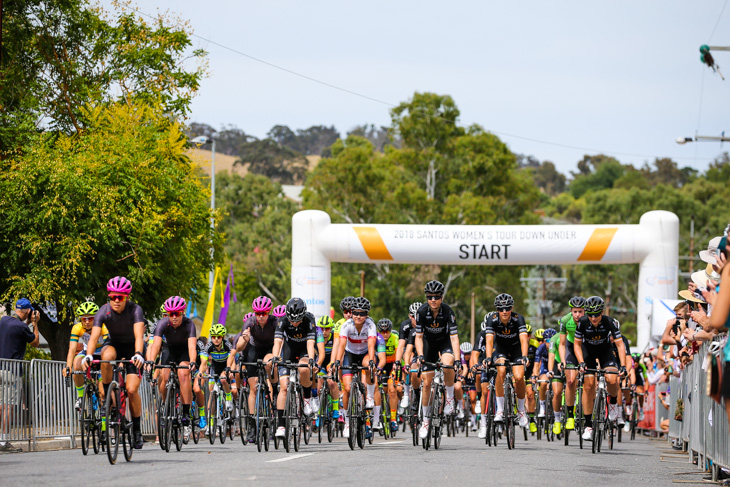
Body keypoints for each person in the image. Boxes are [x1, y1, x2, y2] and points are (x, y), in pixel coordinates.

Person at [83, 276, 146, 449]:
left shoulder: (135, 310)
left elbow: (139, 336)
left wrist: (139, 354)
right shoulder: (103, 311)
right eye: (113, 297)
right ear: (109, 296)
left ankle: (137, 430)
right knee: (105, 355)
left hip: (133, 347)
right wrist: (88, 355)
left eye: (120, 297)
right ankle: (107, 397)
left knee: (132, 390)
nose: (116, 301)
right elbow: (94, 336)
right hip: (114, 345)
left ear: (127, 297)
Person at [574, 296, 627, 442]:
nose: (593, 318)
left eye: (596, 314)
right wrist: (581, 362)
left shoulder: (609, 322)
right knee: (589, 385)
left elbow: (620, 345)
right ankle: (588, 426)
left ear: (602, 312)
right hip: (588, 352)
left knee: (612, 378)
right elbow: (577, 345)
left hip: (605, 351)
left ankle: (614, 402)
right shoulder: (583, 322)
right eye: (590, 314)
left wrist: (623, 365)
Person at [145, 296, 197, 440]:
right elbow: (155, 346)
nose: (174, 317)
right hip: (169, 350)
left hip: (184, 351)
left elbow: (192, 347)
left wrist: (192, 361)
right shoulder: (162, 324)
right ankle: (166, 407)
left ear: (183, 313)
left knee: (183, 374)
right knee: (164, 376)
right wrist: (150, 361)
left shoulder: (189, 324)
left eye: (177, 314)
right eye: (171, 314)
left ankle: (186, 414)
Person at [414, 280, 460, 439]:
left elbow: (454, 339)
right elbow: (418, 337)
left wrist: (458, 360)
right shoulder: (420, 312)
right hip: (428, 344)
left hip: (444, 342)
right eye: (430, 297)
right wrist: (420, 355)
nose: (433, 300)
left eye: (436, 297)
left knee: (448, 364)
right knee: (426, 383)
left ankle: (449, 399)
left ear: (441, 297)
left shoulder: (448, 312)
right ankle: (425, 420)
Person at [331, 296, 377, 439]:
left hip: (364, 353)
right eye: (355, 313)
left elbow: (371, 346)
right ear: (352, 313)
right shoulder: (346, 325)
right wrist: (337, 361)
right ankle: (348, 422)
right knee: (348, 389)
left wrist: (371, 361)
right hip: (350, 355)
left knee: (369, 365)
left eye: (362, 313)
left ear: (367, 315)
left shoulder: (370, 325)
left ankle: (369, 395)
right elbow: (342, 345)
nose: (358, 316)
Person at [272, 297, 317, 438]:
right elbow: (278, 342)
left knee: (304, 368)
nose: (295, 322)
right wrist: (275, 357)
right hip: (289, 350)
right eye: (292, 319)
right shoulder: (283, 321)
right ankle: (280, 425)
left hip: (304, 349)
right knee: (284, 387)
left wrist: (311, 359)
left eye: (298, 320)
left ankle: (307, 399)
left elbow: (310, 343)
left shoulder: (309, 319)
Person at [484, 293, 530, 429]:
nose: (504, 311)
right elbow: (489, 341)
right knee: (501, 370)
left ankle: (521, 411)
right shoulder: (492, 320)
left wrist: (525, 356)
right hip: (501, 349)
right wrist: (487, 357)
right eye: (500, 309)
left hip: (516, 350)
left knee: (519, 376)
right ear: (497, 309)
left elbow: (523, 340)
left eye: (507, 308)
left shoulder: (518, 319)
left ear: (512, 307)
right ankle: (500, 409)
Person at [0, 298, 40, 453]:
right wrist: (35, 324)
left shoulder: (3, 321)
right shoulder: (21, 327)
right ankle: (3, 441)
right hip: (12, 371)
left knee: (0, 405)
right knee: (7, 406)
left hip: (0, 367)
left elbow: (15, 333)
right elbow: (35, 342)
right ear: (28, 311)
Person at [237, 296, 278, 444]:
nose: (261, 316)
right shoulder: (250, 322)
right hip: (254, 350)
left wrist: (274, 357)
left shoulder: (275, 322)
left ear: (269, 312)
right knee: (253, 388)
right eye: (258, 313)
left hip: (270, 349)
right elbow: (239, 347)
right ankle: (252, 425)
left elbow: (279, 343)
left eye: (264, 313)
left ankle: (274, 392)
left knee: (269, 363)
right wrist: (245, 339)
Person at [64, 301, 108, 411]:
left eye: (91, 318)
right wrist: (68, 366)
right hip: (86, 352)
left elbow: (108, 346)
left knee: (102, 393)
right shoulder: (77, 328)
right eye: (84, 319)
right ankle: (80, 397)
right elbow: (72, 349)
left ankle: (103, 422)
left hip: (102, 353)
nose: (87, 322)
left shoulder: (103, 327)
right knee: (76, 363)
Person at [557, 296, 585, 432]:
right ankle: (570, 416)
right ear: (571, 311)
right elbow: (562, 344)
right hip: (570, 347)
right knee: (570, 381)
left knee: (592, 380)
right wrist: (563, 360)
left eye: (580, 311)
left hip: (586, 347)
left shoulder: (589, 320)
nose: (578, 315)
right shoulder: (565, 320)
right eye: (575, 312)